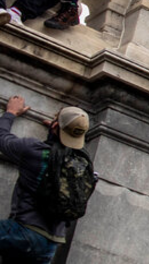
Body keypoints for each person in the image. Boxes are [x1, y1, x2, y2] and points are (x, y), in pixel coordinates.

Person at [0, 96, 90, 263]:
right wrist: (63, 134)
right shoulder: (82, 165)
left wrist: (11, 112)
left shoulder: (36, 152)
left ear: (55, 126)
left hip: (22, 232)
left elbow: (2, 139)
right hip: (50, 245)